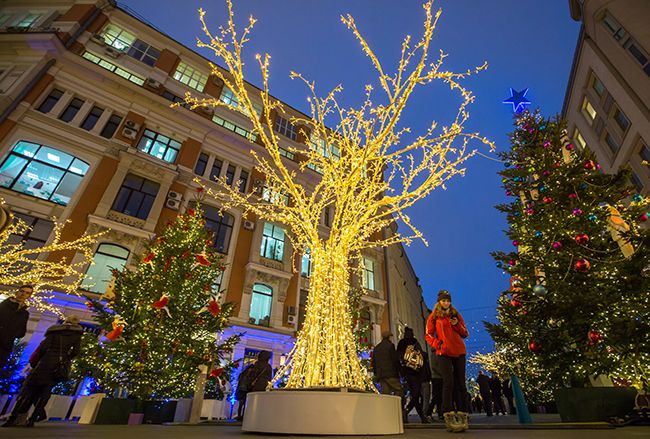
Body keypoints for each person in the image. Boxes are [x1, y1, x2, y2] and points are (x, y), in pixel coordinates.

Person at [2, 315, 82, 427]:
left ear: (65, 321)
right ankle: (32, 420)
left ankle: (13, 418)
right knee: (45, 393)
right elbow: (75, 351)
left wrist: (39, 361)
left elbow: (43, 347)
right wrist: (66, 358)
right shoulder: (76, 335)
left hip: (44, 363)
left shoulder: (54, 331)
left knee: (28, 390)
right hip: (57, 366)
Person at [425, 290, 469, 433]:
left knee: (461, 383)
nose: (446, 303)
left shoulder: (455, 314)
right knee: (448, 382)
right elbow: (428, 334)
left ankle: (464, 413)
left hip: (459, 351)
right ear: (439, 301)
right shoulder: (434, 316)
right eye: (443, 300)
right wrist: (437, 344)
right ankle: (448, 414)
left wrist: (456, 324)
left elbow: (465, 333)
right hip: (443, 352)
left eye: (448, 300)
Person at [396, 327, 429, 424]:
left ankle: (412, 414)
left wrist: (401, 371)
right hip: (416, 372)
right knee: (416, 395)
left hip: (407, 372)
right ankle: (416, 415)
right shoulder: (415, 342)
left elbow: (398, 358)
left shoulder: (401, 343)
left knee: (415, 394)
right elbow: (422, 355)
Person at [372, 330, 405, 419]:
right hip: (391, 374)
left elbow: (374, 362)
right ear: (389, 337)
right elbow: (395, 360)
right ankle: (398, 411)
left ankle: (386, 415)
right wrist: (401, 372)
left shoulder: (377, 347)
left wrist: (376, 373)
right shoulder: (390, 346)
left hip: (381, 375)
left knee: (385, 394)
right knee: (399, 391)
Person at [0, 285, 33, 368]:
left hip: (5, 347)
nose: (23, 294)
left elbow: (22, 332)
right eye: (22, 291)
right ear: (17, 292)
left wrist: (12, 334)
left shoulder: (24, 314)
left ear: (29, 296)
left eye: (27, 293)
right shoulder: (3, 306)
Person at [235, 350, 272, 421]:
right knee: (259, 403)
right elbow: (270, 379)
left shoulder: (255, 364)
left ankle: (243, 415)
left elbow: (247, 375)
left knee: (248, 401)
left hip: (252, 386)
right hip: (262, 387)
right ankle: (256, 417)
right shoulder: (268, 366)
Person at [426, 351, 444, 421]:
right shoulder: (435, 354)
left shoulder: (434, 353)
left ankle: (439, 414)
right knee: (437, 396)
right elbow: (434, 367)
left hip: (436, 377)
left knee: (438, 397)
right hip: (437, 377)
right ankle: (429, 412)